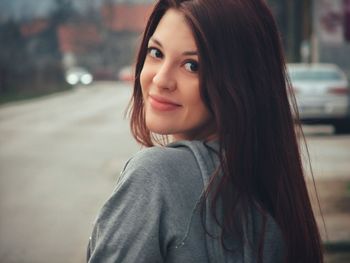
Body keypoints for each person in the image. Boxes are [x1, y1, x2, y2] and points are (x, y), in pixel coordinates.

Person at [87, 0, 324, 262]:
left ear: (241, 81)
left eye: (192, 66)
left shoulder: (157, 177)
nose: (161, 79)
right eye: (156, 53)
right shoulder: (274, 194)